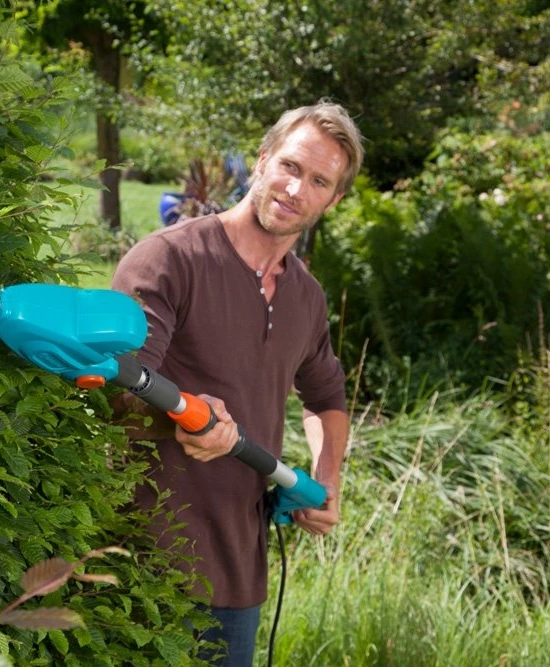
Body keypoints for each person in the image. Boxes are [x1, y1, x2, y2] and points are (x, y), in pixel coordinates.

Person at [110, 100, 364, 665]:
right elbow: (118, 387)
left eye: (318, 180)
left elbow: (326, 397)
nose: (297, 189)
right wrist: (186, 412)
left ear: (333, 199)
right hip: (139, 563)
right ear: (264, 158)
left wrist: (326, 480)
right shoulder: (169, 260)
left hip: (237, 578)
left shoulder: (306, 297)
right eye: (291, 167)